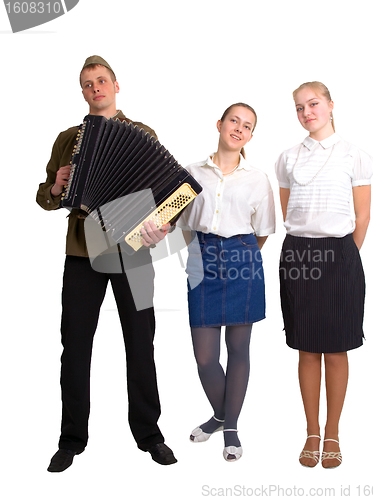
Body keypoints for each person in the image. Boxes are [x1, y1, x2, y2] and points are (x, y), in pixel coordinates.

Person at [36, 55, 177, 472]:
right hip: (82, 251)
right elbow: (45, 197)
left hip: (134, 254)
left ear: (116, 86)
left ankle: (149, 435)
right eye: (87, 84)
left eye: (101, 81)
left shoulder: (142, 133)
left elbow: (171, 194)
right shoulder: (67, 138)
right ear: (82, 92)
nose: (94, 88)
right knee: (75, 347)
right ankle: (71, 439)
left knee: (140, 343)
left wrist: (163, 225)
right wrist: (57, 186)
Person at [275, 81, 373, 468]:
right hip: (298, 252)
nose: (306, 113)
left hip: (339, 253)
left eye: (313, 104)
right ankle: (311, 430)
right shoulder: (286, 158)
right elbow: (288, 214)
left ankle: (333, 430)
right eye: (299, 108)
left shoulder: (354, 155)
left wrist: (343, 257)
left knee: (336, 347)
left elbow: (362, 216)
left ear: (331, 105)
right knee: (306, 346)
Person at [178, 103, 276, 461]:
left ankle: (229, 427)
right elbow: (184, 223)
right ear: (219, 124)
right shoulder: (191, 172)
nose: (239, 128)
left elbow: (263, 231)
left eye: (247, 125)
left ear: (251, 135)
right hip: (202, 260)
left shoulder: (258, 178)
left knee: (239, 351)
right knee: (205, 357)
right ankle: (220, 414)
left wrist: (238, 253)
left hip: (243, 259)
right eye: (233, 120)